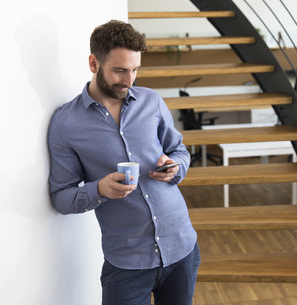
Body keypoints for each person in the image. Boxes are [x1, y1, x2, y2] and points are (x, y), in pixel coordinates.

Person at [48, 20, 200, 305]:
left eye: (134, 70)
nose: (129, 81)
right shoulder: (66, 123)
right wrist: (100, 190)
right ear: (94, 63)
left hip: (181, 247)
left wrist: (175, 167)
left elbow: (180, 151)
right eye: (119, 70)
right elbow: (61, 197)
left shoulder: (152, 101)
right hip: (127, 263)